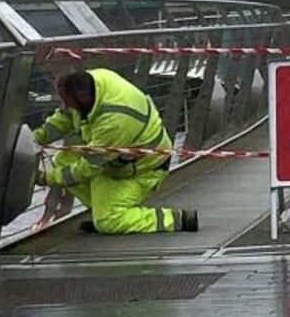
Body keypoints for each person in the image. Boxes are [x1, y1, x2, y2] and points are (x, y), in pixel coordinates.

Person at [33, 68, 198, 234]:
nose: (67, 106)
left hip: (144, 169)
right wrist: (35, 139)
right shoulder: (94, 82)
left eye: (69, 103)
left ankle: (175, 219)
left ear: (82, 99)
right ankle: (103, 211)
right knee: (63, 160)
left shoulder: (114, 122)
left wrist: (45, 178)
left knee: (108, 221)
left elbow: (88, 168)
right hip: (115, 161)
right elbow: (65, 117)